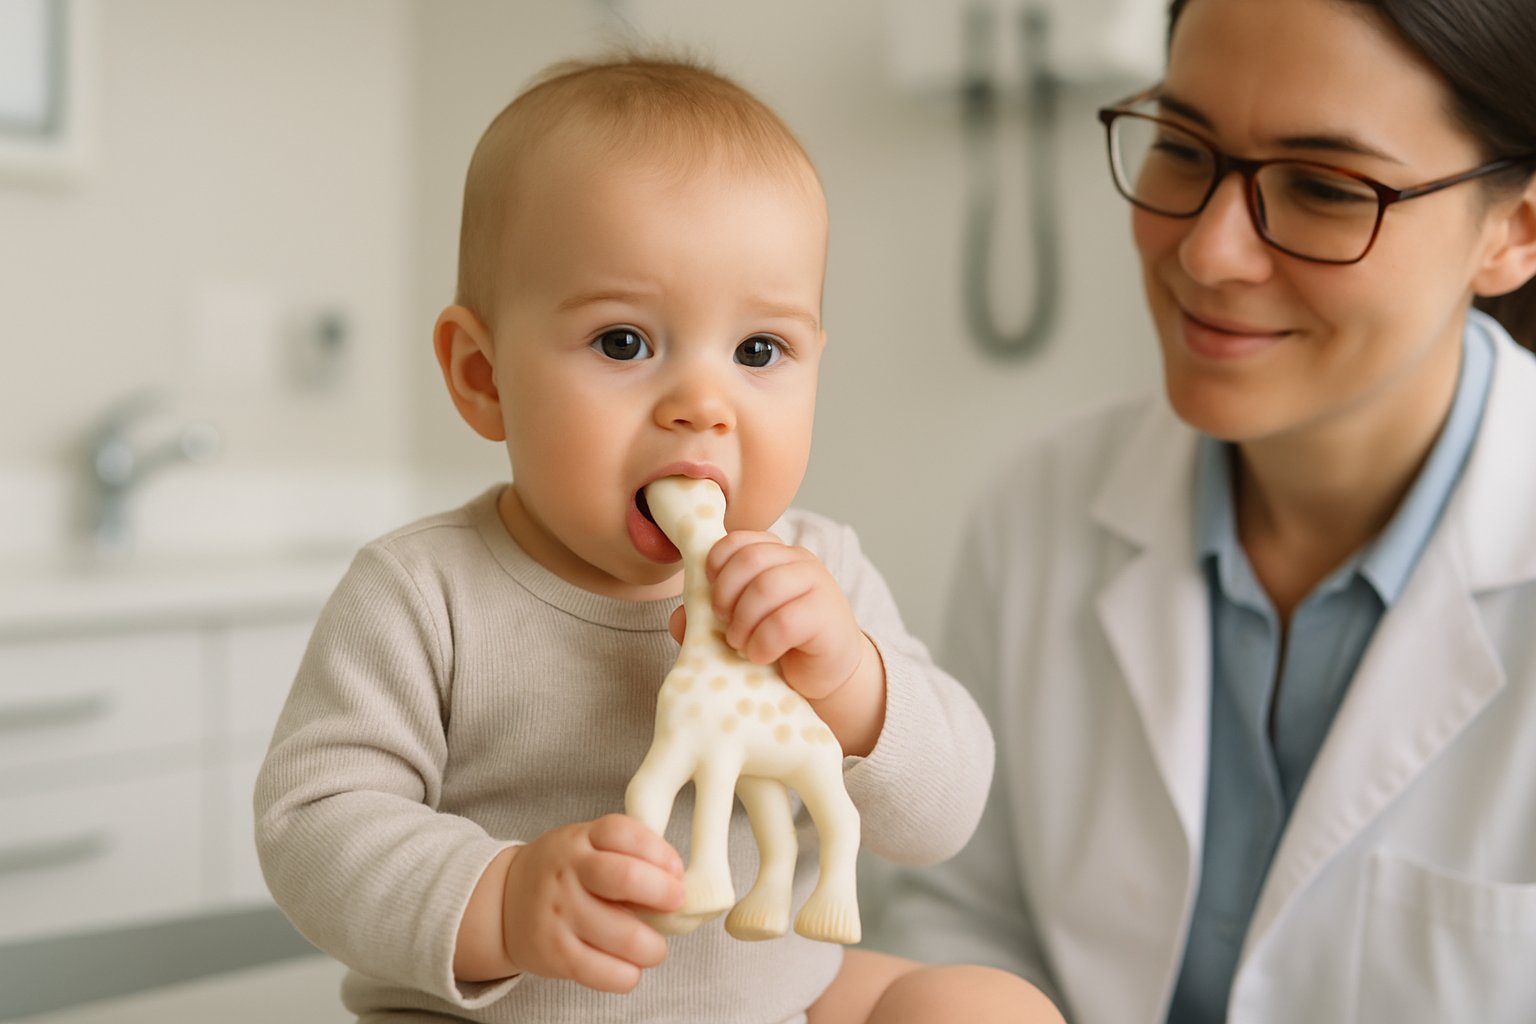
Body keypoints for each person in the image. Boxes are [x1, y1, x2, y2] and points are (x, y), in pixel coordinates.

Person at [254, 55, 1061, 1024]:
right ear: (483, 376)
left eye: (759, 351)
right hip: (506, 1013)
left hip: (776, 1000)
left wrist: (852, 682)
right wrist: (500, 899)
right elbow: (312, 825)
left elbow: (946, 815)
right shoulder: (424, 590)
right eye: (624, 342)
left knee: (988, 1007)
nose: (703, 407)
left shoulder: (822, 572)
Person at [877, 0, 1536, 1021]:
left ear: (1515, 231)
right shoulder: (1041, 510)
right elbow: (964, 910)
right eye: (1182, 147)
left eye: (1323, 187)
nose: (1210, 253)